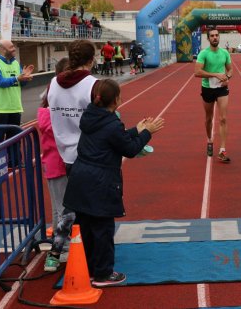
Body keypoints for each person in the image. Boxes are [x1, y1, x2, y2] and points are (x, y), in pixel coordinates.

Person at [61, 79, 165, 286]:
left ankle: (89, 268)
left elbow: (116, 138)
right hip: (100, 182)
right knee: (103, 229)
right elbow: (129, 149)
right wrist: (147, 132)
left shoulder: (91, 116)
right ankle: (103, 274)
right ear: (116, 100)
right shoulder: (111, 123)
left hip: (80, 178)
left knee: (86, 227)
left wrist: (137, 129)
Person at [45, 39, 99, 272]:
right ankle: (93, 259)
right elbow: (102, 120)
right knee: (92, 209)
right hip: (89, 154)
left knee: (71, 208)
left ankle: (57, 250)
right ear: (91, 60)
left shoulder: (52, 84)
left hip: (66, 153)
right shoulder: (92, 85)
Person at [37, 57, 69, 243]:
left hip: (61, 163)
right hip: (56, 165)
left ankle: (61, 243)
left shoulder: (51, 112)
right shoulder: (48, 113)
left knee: (63, 208)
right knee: (61, 208)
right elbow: (55, 129)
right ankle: (60, 246)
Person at [0, 40, 34, 153]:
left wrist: (25, 79)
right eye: (11, 47)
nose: (14, 49)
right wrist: (17, 78)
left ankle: (14, 164)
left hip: (15, 108)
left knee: (14, 139)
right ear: (3, 49)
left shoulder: (16, 63)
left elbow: (19, 84)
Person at [194, 27, 232, 163]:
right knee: (209, 118)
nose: (215, 37)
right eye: (212, 36)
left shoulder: (225, 53)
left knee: (223, 119)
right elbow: (197, 72)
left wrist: (227, 77)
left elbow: (230, 69)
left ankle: (222, 150)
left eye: (217, 35)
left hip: (222, 88)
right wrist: (215, 74)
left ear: (219, 37)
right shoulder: (203, 54)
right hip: (207, 88)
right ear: (208, 38)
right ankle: (209, 139)